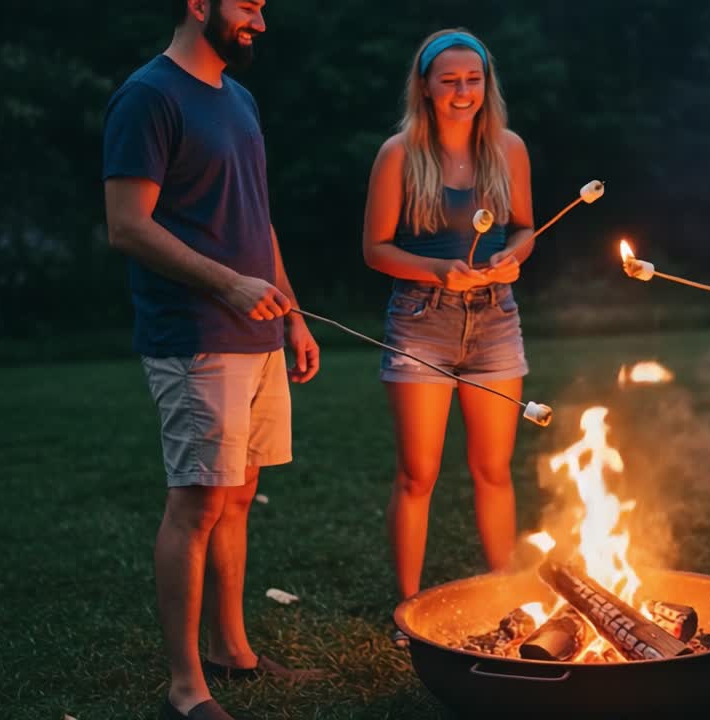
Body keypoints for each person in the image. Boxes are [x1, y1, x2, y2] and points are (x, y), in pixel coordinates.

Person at [102, 1, 323, 717]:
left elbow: (257, 216)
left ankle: (233, 653)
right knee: (196, 503)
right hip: (193, 329)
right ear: (199, 4)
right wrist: (228, 284)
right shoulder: (148, 97)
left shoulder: (239, 98)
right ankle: (185, 688)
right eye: (248, 5)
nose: (260, 19)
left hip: (258, 333)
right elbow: (128, 227)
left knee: (237, 497)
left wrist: (290, 311)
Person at [361, 28, 535, 640]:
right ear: (427, 87)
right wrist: (440, 269)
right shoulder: (400, 153)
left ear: (487, 85)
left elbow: (524, 229)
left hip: (495, 318)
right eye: (450, 81)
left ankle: (511, 596)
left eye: (474, 80)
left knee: (495, 469)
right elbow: (375, 249)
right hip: (421, 320)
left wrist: (514, 257)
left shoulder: (507, 148)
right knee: (418, 473)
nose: (463, 92)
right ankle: (407, 610)